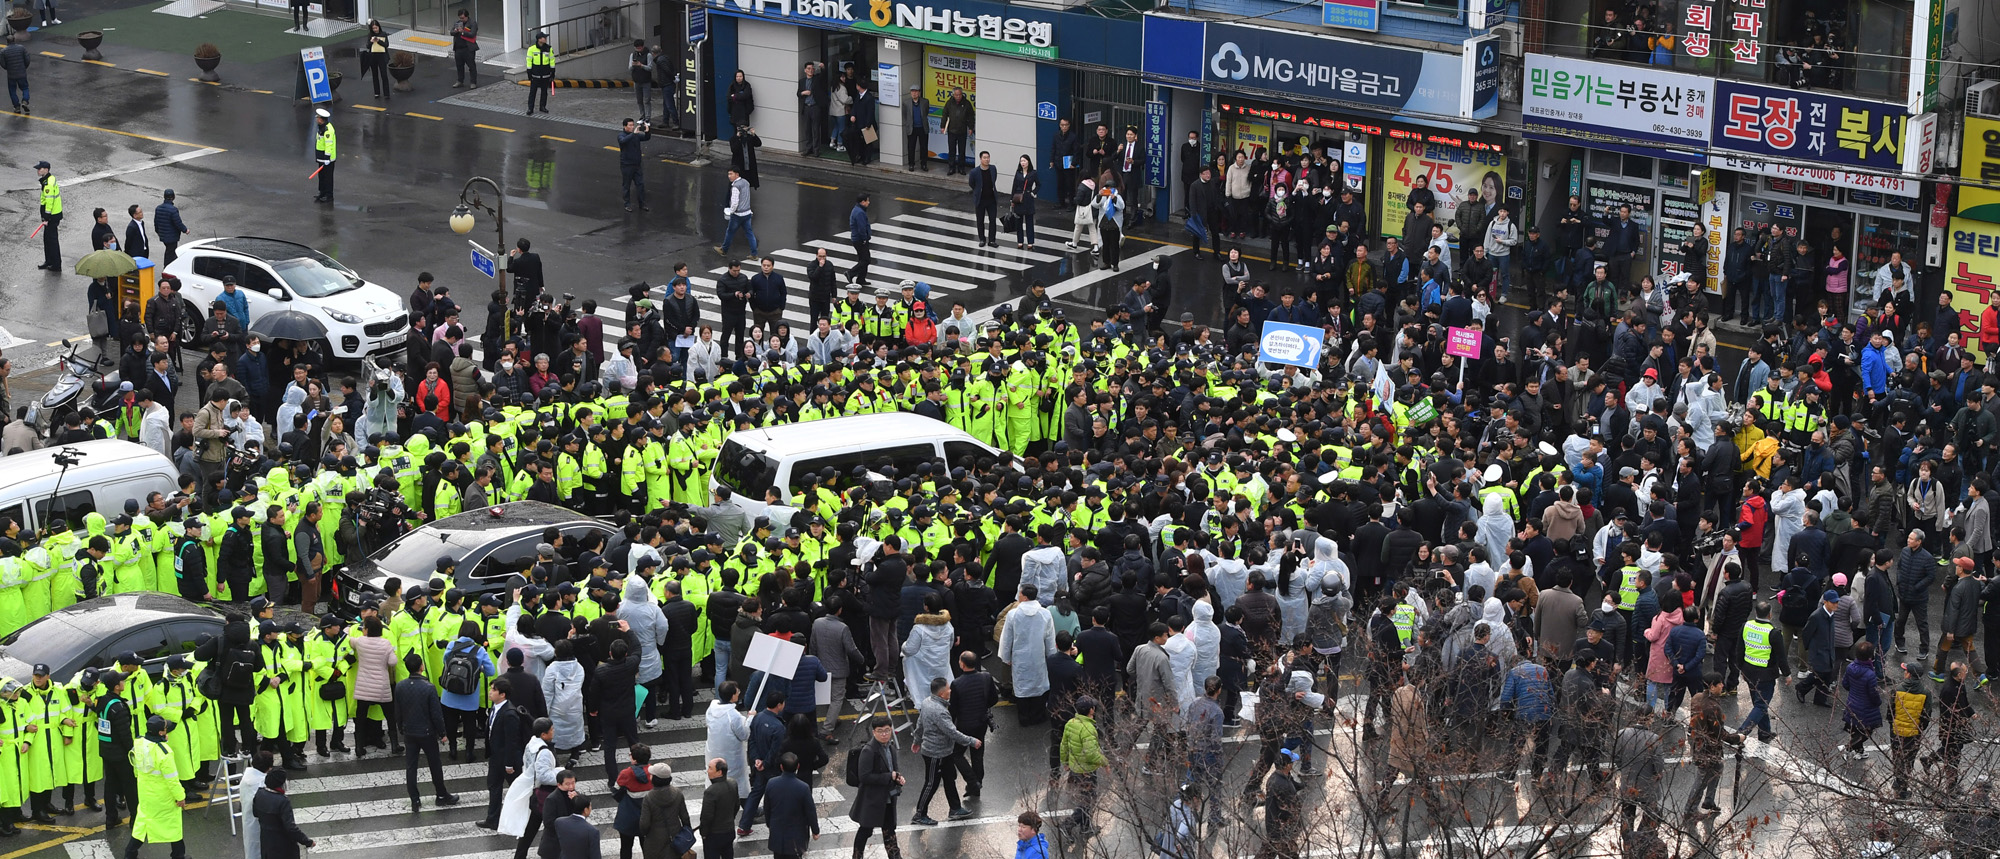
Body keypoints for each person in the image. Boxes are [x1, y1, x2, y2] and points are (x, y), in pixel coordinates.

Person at [394, 651, 461, 811]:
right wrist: (443, 733)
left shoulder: (400, 686)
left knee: (411, 766)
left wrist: (401, 727)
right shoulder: (429, 688)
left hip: (409, 732)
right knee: (434, 764)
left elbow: (397, 711)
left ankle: (415, 800)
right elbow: (436, 714)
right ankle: (441, 795)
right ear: (421, 667)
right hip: (427, 732)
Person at [911, 676, 978, 825]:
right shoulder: (939, 711)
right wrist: (972, 741)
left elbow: (919, 724)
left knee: (949, 778)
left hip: (944, 752)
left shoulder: (927, 702)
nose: (950, 690)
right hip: (936, 754)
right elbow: (952, 732)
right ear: (941, 694)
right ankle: (919, 814)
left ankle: (955, 808)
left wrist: (916, 740)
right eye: (948, 688)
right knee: (931, 783)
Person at [123, 715, 187, 859]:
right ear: (160, 733)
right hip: (163, 798)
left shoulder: (139, 742)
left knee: (143, 824)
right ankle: (178, 855)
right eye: (165, 728)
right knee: (174, 827)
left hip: (146, 794)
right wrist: (180, 797)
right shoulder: (165, 753)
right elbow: (172, 780)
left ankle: (130, 853)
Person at [1682, 672, 1741, 819]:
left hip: (1698, 744)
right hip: (1709, 748)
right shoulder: (1713, 707)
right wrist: (1738, 738)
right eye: (1719, 683)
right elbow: (1721, 734)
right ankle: (1690, 810)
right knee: (1701, 778)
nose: (1722, 685)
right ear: (1712, 686)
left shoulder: (1697, 698)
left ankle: (1709, 801)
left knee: (1718, 767)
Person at [849, 717, 905, 859]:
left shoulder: (891, 747)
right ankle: (857, 856)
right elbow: (864, 776)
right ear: (874, 732)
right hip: (873, 800)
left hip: (888, 798)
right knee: (865, 830)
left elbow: (894, 770)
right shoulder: (869, 750)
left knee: (890, 832)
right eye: (880, 731)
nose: (884, 734)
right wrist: (889, 776)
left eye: (887, 730)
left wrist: (898, 778)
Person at [1059, 696, 1104, 835]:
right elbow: (1091, 753)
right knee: (1089, 799)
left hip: (1075, 767)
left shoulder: (1071, 723)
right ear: (1091, 710)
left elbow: (1064, 745)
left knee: (1085, 796)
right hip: (1087, 769)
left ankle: (1086, 827)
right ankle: (1068, 824)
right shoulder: (1088, 728)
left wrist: (1065, 762)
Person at [763, 753, 819, 859]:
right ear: (797, 766)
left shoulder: (771, 783)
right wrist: (815, 831)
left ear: (781, 767)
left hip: (777, 834)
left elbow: (767, 807)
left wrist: (769, 824)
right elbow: (810, 811)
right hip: (796, 838)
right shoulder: (803, 787)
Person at [250, 768, 313, 859]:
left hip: (267, 843)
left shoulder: (259, 793)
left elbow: (255, 813)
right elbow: (291, 828)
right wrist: (307, 841)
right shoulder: (283, 801)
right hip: (284, 846)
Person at [699, 758, 738, 859]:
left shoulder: (711, 792)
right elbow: (736, 806)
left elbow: (707, 817)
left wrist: (703, 833)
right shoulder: (733, 784)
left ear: (719, 772)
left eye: (710, 768)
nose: (708, 771)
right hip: (729, 831)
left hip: (714, 835)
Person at [618, 118, 652, 213]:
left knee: (640, 185)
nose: (632, 127)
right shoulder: (621, 135)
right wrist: (633, 134)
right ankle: (627, 204)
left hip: (637, 165)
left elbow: (646, 138)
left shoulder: (636, 136)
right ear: (625, 126)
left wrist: (647, 131)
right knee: (626, 185)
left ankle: (642, 203)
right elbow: (623, 141)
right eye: (630, 125)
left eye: (633, 125)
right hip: (626, 165)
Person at [969, 151, 999, 248]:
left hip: (991, 199)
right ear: (980, 159)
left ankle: (992, 240)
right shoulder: (974, 172)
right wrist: (978, 191)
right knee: (980, 220)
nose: (987, 159)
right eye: (985, 158)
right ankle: (982, 239)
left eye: (988, 157)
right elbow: (971, 183)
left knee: (993, 220)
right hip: (980, 200)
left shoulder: (993, 168)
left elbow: (994, 179)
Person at [34, 160, 60, 272]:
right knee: (47, 239)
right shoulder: (48, 180)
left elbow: (49, 202)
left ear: (46, 170)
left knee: (52, 240)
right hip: (52, 215)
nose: (38, 171)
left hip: (52, 216)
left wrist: (47, 217)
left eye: (40, 169)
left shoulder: (48, 183)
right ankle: (49, 261)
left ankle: (56, 264)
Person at [153, 190, 187, 266]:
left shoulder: (158, 208)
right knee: (170, 254)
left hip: (163, 235)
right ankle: (168, 269)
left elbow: (156, 222)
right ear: (173, 197)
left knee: (170, 251)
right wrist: (185, 230)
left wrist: (158, 232)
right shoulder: (173, 210)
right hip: (172, 237)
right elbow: (178, 223)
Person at [525, 32, 554, 115]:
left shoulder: (549, 48)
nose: (545, 39)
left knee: (544, 92)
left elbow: (552, 60)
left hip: (545, 74)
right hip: (535, 74)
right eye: (544, 37)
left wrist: (552, 71)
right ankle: (530, 108)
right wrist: (529, 72)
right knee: (532, 92)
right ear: (539, 39)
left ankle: (542, 107)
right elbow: (529, 61)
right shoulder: (531, 49)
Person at [311, 110, 336, 204]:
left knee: (328, 177)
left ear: (321, 119)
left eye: (318, 118)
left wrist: (327, 158)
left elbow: (329, 145)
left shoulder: (328, 130)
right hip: (321, 157)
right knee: (321, 176)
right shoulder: (322, 127)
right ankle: (322, 193)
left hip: (327, 159)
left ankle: (329, 195)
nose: (317, 119)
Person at [902, 85, 929, 171]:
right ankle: (911, 164)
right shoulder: (906, 103)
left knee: (924, 147)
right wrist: (908, 124)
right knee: (911, 147)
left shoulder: (925, 102)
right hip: (912, 128)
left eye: (916, 91)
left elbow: (926, 113)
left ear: (919, 92)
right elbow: (905, 115)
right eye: (912, 91)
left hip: (922, 127)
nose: (914, 93)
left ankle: (923, 164)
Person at [848, 193, 872, 286]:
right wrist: (864, 238)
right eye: (867, 201)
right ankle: (851, 273)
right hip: (860, 239)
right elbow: (861, 228)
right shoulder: (860, 213)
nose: (868, 202)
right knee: (866, 260)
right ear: (863, 202)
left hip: (858, 239)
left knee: (863, 259)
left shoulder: (858, 210)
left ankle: (861, 279)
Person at [450, 10, 479, 87]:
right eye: (460, 18)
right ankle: (460, 80)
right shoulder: (458, 23)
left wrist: (463, 32)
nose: (461, 19)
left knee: (471, 66)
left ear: (466, 16)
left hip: (468, 48)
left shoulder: (472, 23)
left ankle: (473, 82)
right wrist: (456, 31)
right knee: (459, 65)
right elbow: (451, 32)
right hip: (458, 48)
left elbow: (472, 34)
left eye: (462, 18)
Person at [0, 34, 28, 115]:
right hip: (22, 73)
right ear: (14, 40)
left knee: (12, 90)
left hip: (11, 75)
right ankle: (25, 101)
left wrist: (8, 68)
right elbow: (27, 59)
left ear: (7, 42)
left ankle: (16, 107)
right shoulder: (21, 48)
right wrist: (24, 67)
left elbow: (2, 63)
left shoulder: (3, 51)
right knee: (25, 88)